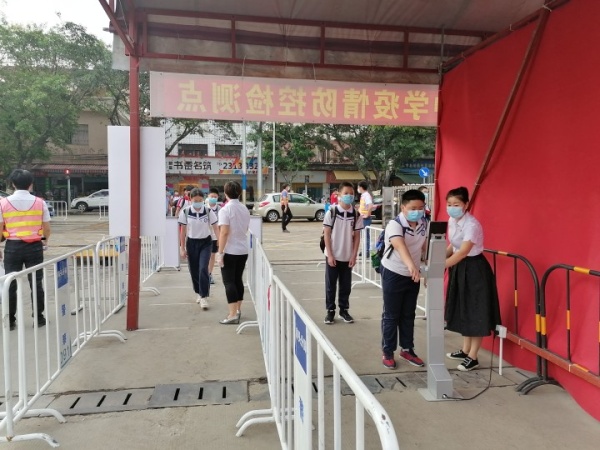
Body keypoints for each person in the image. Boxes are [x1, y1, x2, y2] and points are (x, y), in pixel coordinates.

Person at [444, 186, 501, 371]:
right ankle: (465, 349)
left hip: (474, 269)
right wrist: (439, 258)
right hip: (459, 268)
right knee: (463, 309)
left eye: (456, 204)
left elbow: (463, 252)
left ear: (466, 205)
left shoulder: (472, 225)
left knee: (475, 311)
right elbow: (453, 245)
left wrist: (439, 266)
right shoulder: (452, 220)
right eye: (449, 204)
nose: (452, 208)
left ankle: (473, 356)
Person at [380, 189, 428, 369]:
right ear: (403, 208)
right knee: (391, 315)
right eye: (413, 208)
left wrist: (427, 267)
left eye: (420, 208)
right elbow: (399, 246)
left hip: (412, 274)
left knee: (408, 313)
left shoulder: (424, 223)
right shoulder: (395, 224)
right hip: (394, 272)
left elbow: (425, 247)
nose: (417, 211)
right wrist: (411, 266)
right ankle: (388, 351)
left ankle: (407, 349)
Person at [0, 169, 51, 330]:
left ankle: (10, 320)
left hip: (12, 247)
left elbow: (0, 228)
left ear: (12, 184)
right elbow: (46, 228)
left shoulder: (3, 203)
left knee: (10, 283)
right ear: (30, 184)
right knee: (36, 283)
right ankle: (39, 318)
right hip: (34, 247)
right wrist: (43, 241)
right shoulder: (40, 202)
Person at [322, 181, 364, 324]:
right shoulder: (332, 212)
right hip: (333, 255)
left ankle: (344, 310)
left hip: (347, 256)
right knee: (330, 285)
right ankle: (330, 311)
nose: (349, 196)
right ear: (339, 194)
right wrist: (330, 255)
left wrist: (354, 255)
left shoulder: (356, 215)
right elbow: (327, 234)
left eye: (351, 193)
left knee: (345, 285)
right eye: (346, 193)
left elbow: (357, 237)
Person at [179, 189, 218, 310]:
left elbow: (216, 228)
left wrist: (220, 242)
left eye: (200, 200)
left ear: (203, 200)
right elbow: (183, 231)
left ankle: (204, 296)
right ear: (190, 200)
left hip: (206, 243)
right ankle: (198, 292)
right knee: (194, 270)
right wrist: (182, 248)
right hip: (192, 243)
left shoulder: (208, 211)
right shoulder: (185, 212)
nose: (198, 202)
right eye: (195, 200)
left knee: (203, 269)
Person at [217, 181, 250, 324]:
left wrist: (220, 252)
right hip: (243, 249)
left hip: (230, 250)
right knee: (238, 280)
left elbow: (224, 232)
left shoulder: (225, 210)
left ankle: (232, 314)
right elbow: (246, 227)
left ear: (225, 193)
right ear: (240, 193)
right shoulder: (244, 208)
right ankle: (237, 310)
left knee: (229, 282)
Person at [206, 188, 222, 285]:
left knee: (212, 256)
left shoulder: (220, 209)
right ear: (208, 196)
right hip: (204, 236)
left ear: (218, 197)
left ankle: (209, 274)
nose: (213, 198)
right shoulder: (204, 208)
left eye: (215, 197)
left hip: (215, 237)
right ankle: (203, 273)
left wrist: (219, 238)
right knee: (204, 256)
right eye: (211, 196)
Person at [357, 181, 374, 255]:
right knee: (363, 235)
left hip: (365, 218)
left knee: (365, 235)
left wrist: (367, 214)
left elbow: (370, 205)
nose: (358, 189)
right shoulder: (363, 195)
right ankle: (364, 250)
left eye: (358, 187)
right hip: (362, 217)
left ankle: (367, 251)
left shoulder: (366, 195)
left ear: (361, 187)